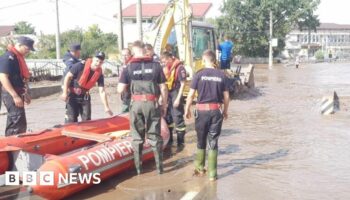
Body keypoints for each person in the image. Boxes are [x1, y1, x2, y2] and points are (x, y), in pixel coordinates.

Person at [117, 40, 168, 175]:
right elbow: (163, 87)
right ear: (144, 50)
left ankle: (139, 171)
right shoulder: (156, 65)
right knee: (155, 136)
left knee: (137, 137)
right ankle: (159, 169)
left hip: (136, 104)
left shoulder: (128, 67)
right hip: (152, 103)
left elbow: (120, 89)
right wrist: (164, 104)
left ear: (133, 51)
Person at [184, 49, 230, 181]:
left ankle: (199, 169)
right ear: (214, 61)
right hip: (216, 111)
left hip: (202, 112)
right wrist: (225, 111)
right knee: (213, 141)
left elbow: (191, 95)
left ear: (203, 60)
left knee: (201, 140)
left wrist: (187, 109)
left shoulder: (199, 75)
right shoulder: (221, 75)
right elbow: (227, 97)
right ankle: (212, 175)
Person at [61, 51, 113, 123]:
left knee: (87, 120)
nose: (98, 63)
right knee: (71, 119)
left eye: (100, 62)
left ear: (102, 63)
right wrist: (64, 93)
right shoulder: (80, 66)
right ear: (92, 59)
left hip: (85, 96)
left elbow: (102, 91)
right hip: (73, 96)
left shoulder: (99, 74)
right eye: (97, 61)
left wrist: (106, 107)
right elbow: (67, 77)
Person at [0, 36, 35, 136]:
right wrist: (15, 96)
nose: (28, 52)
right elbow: (3, 77)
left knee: (16, 120)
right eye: (27, 49)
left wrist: (26, 93)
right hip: (11, 94)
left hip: (19, 92)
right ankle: (13, 146)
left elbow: (21, 78)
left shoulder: (18, 58)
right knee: (17, 121)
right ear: (19, 45)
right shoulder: (8, 57)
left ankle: (11, 144)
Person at [160, 51, 186, 146]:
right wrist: (161, 98)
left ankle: (180, 142)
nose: (164, 63)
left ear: (170, 59)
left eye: (165, 61)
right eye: (162, 62)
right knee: (167, 117)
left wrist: (178, 99)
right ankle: (170, 141)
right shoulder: (166, 69)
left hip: (176, 92)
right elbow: (163, 85)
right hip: (168, 93)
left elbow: (183, 84)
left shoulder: (180, 68)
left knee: (177, 117)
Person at [120, 48, 132, 113]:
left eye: (126, 55)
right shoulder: (123, 65)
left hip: (131, 93)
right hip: (124, 93)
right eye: (122, 55)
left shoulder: (131, 65)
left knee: (125, 112)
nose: (124, 57)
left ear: (130, 55)